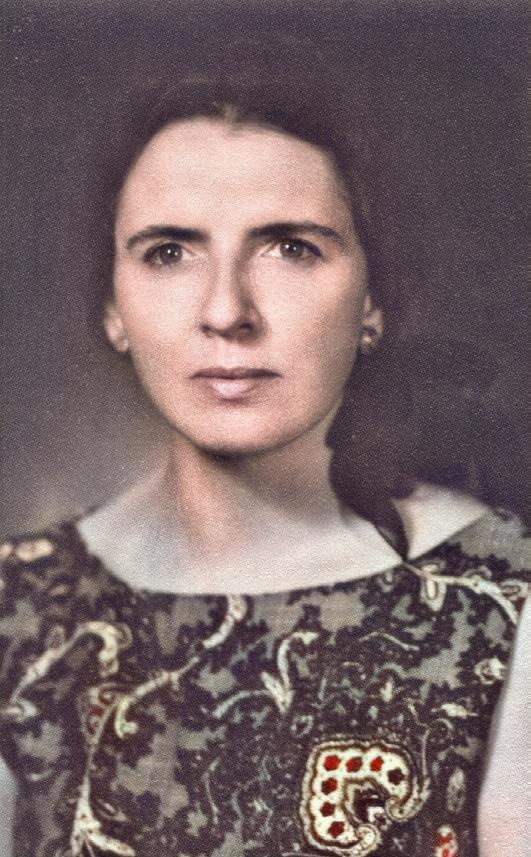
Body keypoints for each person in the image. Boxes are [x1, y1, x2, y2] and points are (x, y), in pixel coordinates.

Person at [0, 65, 528, 857]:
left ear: (372, 301)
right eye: (169, 251)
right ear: (112, 305)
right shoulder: (21, 607)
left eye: (289, 248)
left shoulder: (502, 598)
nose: (226, 311)